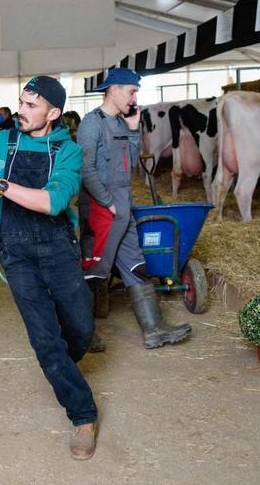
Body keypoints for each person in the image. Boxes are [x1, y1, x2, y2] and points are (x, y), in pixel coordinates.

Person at [0, 76, 97, 460]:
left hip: (58, 246)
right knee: (45, 340)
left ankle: (62, 366)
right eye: (21, 102)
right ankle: (83, 416)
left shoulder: (69, 151)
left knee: (81, 329)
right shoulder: (1, 142)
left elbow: (53, 202)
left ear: (53, 114)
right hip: (15, 250)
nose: (21, 110)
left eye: (31, 106)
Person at [77, 67, 192, 351]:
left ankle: (154, 330)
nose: (134, 98)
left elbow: (130, 162)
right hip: (101, 206)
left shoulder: (120, 123)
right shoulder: (91, 124)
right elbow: (85, 169)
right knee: (94, 271)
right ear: (114, 90)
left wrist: (132, 130)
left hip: (124, 203)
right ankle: (82, 336)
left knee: (136, 265)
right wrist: (107, 202)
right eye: (131, 91)